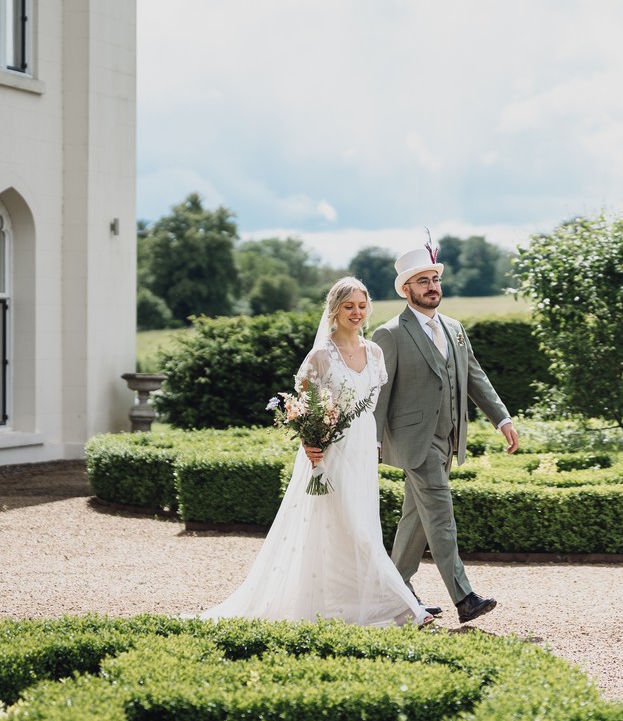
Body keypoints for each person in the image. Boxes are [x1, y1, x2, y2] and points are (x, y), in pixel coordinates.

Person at [201, 277, 434, 627]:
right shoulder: (321, 357)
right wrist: (310, 442)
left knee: (357, 528)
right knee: (355, 528)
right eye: (348, 306)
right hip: (329, 453)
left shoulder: (375, 352)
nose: (356, 313)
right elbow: (304, 407)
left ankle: (355, 606)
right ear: (335, 310)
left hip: (362, 448)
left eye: (361, 306)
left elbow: (375, 405)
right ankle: (405, 609)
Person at [373, 243, 520, 624]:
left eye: (435, 279)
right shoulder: (389, 333)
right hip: (413, 442)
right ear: (406, 289)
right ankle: (464, 597)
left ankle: (396, 588)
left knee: (416, 519)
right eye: (423, 281)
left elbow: (475, 377)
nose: (432, 286)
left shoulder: (454, 329)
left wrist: (502, 419)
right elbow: (380, 392)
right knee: (440, 515)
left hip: (449, 439)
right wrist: (372, 441)